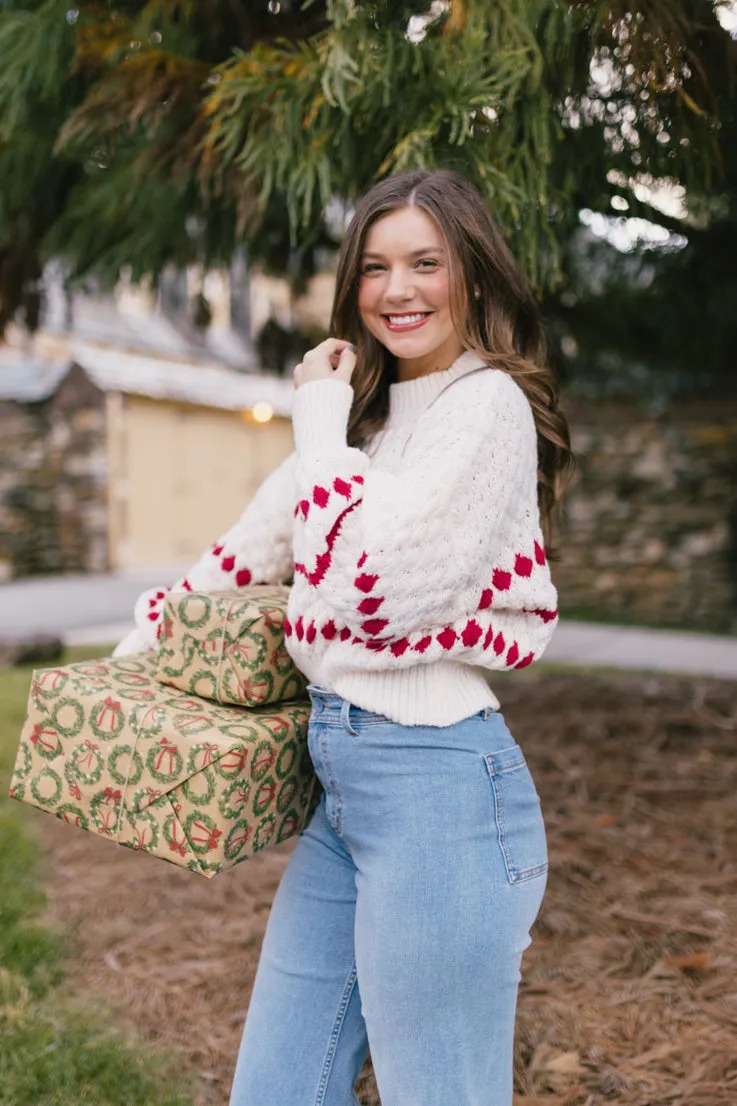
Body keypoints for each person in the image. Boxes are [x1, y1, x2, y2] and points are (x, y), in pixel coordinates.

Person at [116, 168, 574, 1106]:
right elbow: (245, 556)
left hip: (440, 792)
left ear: (472, 275)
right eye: (373, 267)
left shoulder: (484, 409)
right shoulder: (363, 431)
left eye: (423, 263)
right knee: (277, 1087)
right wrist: (133, 665)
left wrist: (317, 423)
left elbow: (369, 593)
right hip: (346, 794)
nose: (395, 290)